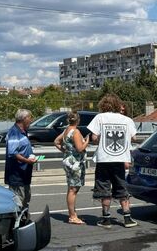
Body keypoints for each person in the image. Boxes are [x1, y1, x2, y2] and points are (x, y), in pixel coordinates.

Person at [87, 94, 138, 228]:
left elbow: (94, 137)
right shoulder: (127, 120)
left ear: (103, 105)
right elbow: (134, 138)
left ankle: (106, 219)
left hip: (104, 159)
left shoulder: (99, 118)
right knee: (122, 188)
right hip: (120, 159)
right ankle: (127, 218)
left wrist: (101, 139)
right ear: (117, 105)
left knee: (104, 189)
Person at [54, 112, 90, 225]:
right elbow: (79, 148)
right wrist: (87, 142)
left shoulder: (66, 130)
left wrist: (65, 151)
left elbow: (56, 141)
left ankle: (73, 213)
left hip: (68, 161)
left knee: (71, 188)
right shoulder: (76, 131)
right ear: (78, 121)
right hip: (75, 163)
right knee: (73, 189)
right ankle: (72, 216)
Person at [4, 109, 37, 220]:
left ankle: (23, 222)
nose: (31, 120)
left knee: (25, 199)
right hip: (17, 175)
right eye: (30, 118)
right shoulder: (14, 132)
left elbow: (21, 150)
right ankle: (15, 226)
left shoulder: (23, 131)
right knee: (17, 202)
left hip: (25, 174)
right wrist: (28, 161)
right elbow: (12, 153)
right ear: (24, 119)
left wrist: (31, 156)